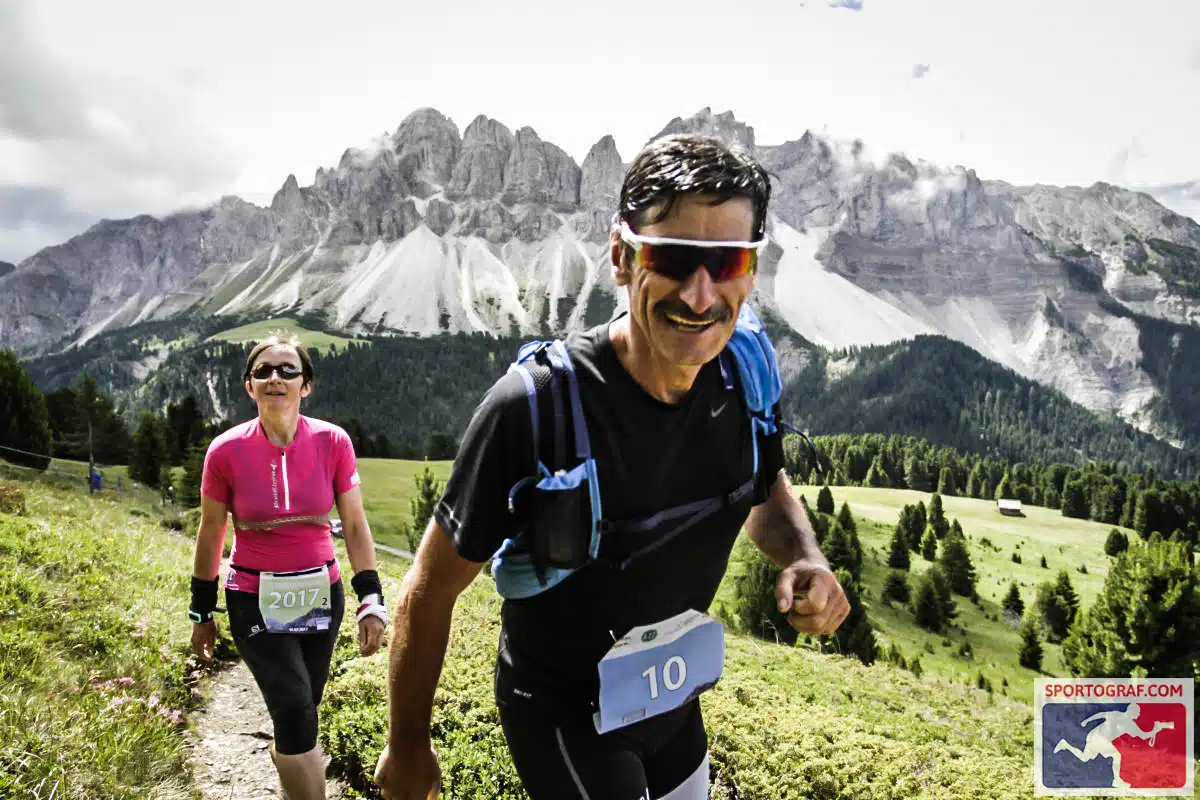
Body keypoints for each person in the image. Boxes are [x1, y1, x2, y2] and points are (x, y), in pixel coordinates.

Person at [372, 134, 849, 800]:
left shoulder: (746, 373)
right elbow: (428, 590)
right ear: (623, 259)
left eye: (728, 261)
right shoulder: (533, 408)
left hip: (674, 702)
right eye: (674, 258)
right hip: (561, 711)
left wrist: (807, 558)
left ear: (753, 267)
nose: (701, 293)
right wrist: (408, 745)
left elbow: (763, 486)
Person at [189, 333, 390, 800]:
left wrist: (371, 597)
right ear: (249, 386)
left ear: (306, 386)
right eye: (263, 371)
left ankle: (288, 772)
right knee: (297, 708)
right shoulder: (225, 451)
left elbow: (356, 525)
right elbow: (211, 532)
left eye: (287, 370)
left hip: (322, 593)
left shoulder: (332, 442)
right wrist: (202, 611)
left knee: (301, 710)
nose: (275, 378)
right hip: (252, 597)